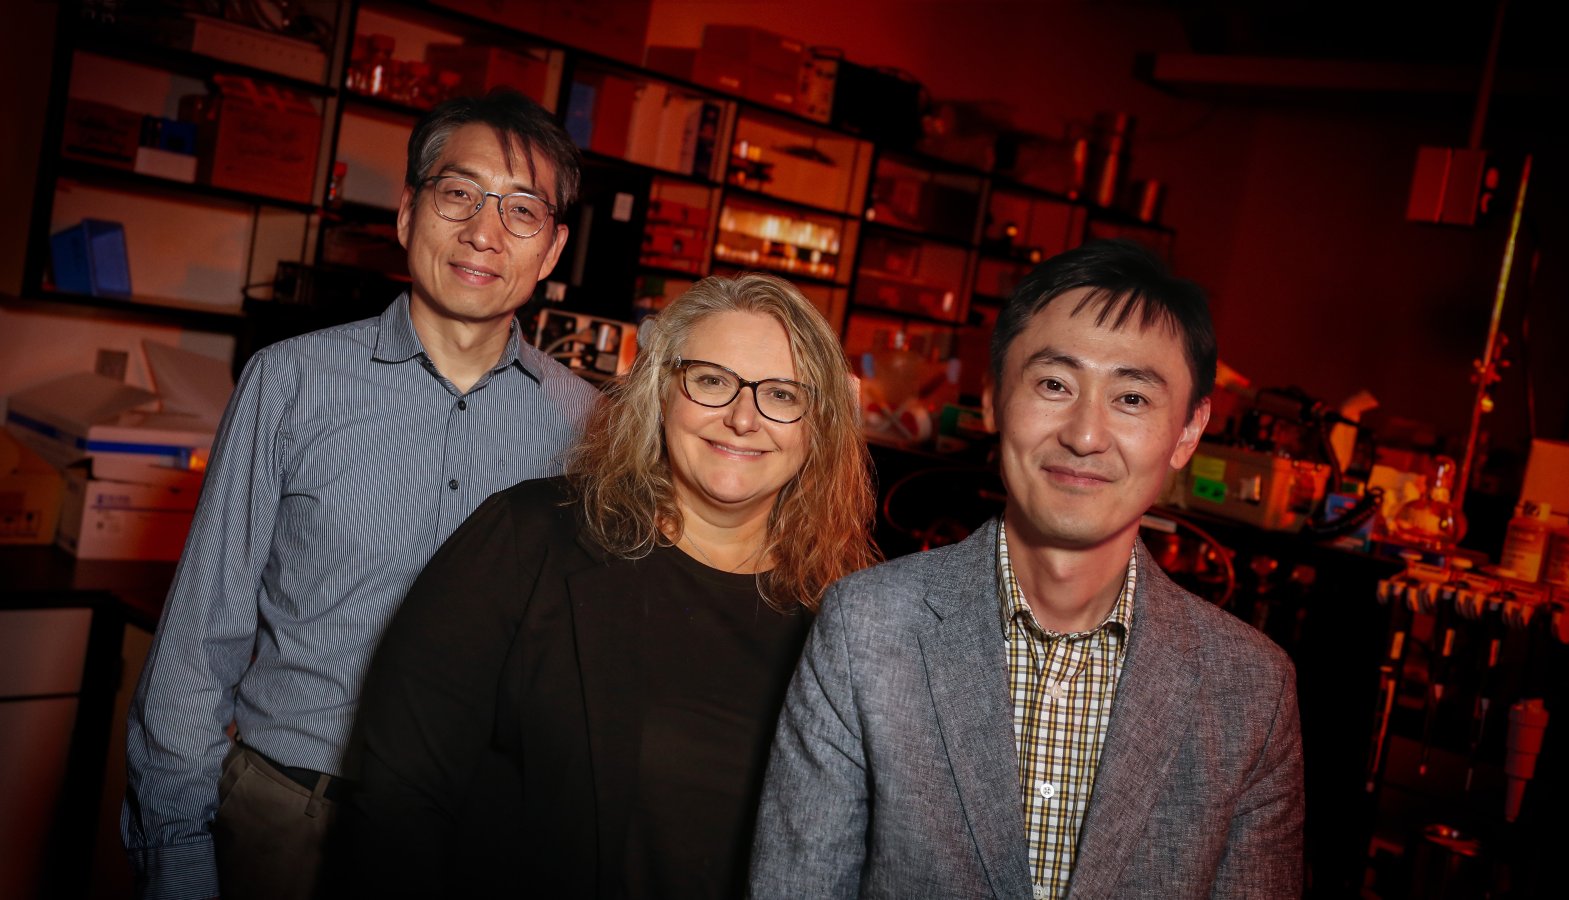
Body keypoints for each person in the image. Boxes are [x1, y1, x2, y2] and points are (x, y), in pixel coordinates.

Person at [122, 90, 597, 900]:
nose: (485, 232)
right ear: (409, 213)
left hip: (477, 839)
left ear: (551, 250)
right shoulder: (291, 382)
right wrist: (177, 851)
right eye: (460, 194)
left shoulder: (588, 427)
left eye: (523, 211)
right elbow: (202, 638)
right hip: (291, 818)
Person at [750, 239, 1306, 899]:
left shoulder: (1251, 689)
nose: (1085, 434)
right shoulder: (867, 629)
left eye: (1131, 398)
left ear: (1188, 431)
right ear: (991, 400)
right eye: (1053, 384)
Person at [335, 272, 880, 898]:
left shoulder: (848, 615)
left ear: (820, 426)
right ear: (660, 392)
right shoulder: (527, 540)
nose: (741, 418)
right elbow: (398, 801)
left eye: (782, 394)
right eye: (710, 381)